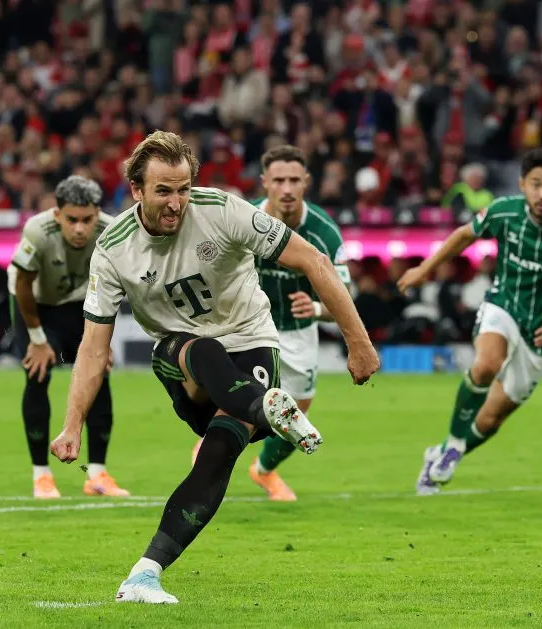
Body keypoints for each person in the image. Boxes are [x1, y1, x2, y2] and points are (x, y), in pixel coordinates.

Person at [48, 131, 379, 604]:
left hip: (251, 346)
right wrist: (72, 423)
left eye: (183, 188)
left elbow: (314, 260)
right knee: (202, 350)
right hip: (182, 364)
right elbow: (94, 348)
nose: (176, 201)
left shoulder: (223, 210)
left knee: (218, 456)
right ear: (137, 190)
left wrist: (358, 342)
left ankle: (143, 575)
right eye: (163, 190)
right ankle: (270, 413)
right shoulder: (113, 249)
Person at [397, 147, 542, 495]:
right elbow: (464, 234)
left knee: (490, 419)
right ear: (522, 184)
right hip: (504, 307)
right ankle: (453, 443)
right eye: (536, 184)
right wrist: (426, 268)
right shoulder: (504, 211)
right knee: (486, 365)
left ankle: (442, 454)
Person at [189, 145, 349, 502]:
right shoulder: (245, 220)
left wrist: (319, 309)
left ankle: (263, 470)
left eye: (295, 179)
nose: (287, 188)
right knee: (239, 394)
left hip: (297, 332)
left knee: (298, 413)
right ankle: (212, 444)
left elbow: (345, 289)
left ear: (307, 182)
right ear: (265, 183)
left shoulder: (324, 233)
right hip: (246, 328)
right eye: (279, 180)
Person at [8, 176, 128, 499]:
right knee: (38, 373)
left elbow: (118, 285)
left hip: (78, 304)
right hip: (34, 306)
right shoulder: (37, 231)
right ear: (57, 214)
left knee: (98, 374)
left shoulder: (113, 230)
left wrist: (104, 343)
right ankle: (41, 476)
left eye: (87, 220)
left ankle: (98, 475)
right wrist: (37, 339)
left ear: (97, 214)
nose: (79, 229)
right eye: (72, 220)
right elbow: (22, 285)